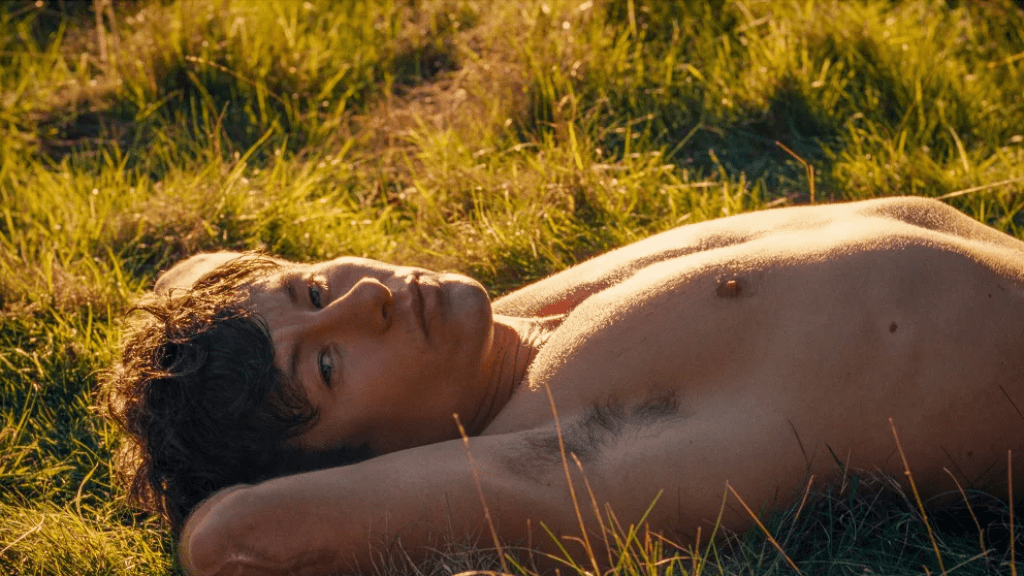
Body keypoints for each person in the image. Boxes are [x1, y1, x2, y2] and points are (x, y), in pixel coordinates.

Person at [104, 196, 1024, 576]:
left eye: (313, 289)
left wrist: (220, 330)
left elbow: (198, 275)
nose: (366, 300)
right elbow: (230, 539)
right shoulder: (562, 451)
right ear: (367, 466)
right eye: (329, 367)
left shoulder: (506, 334)